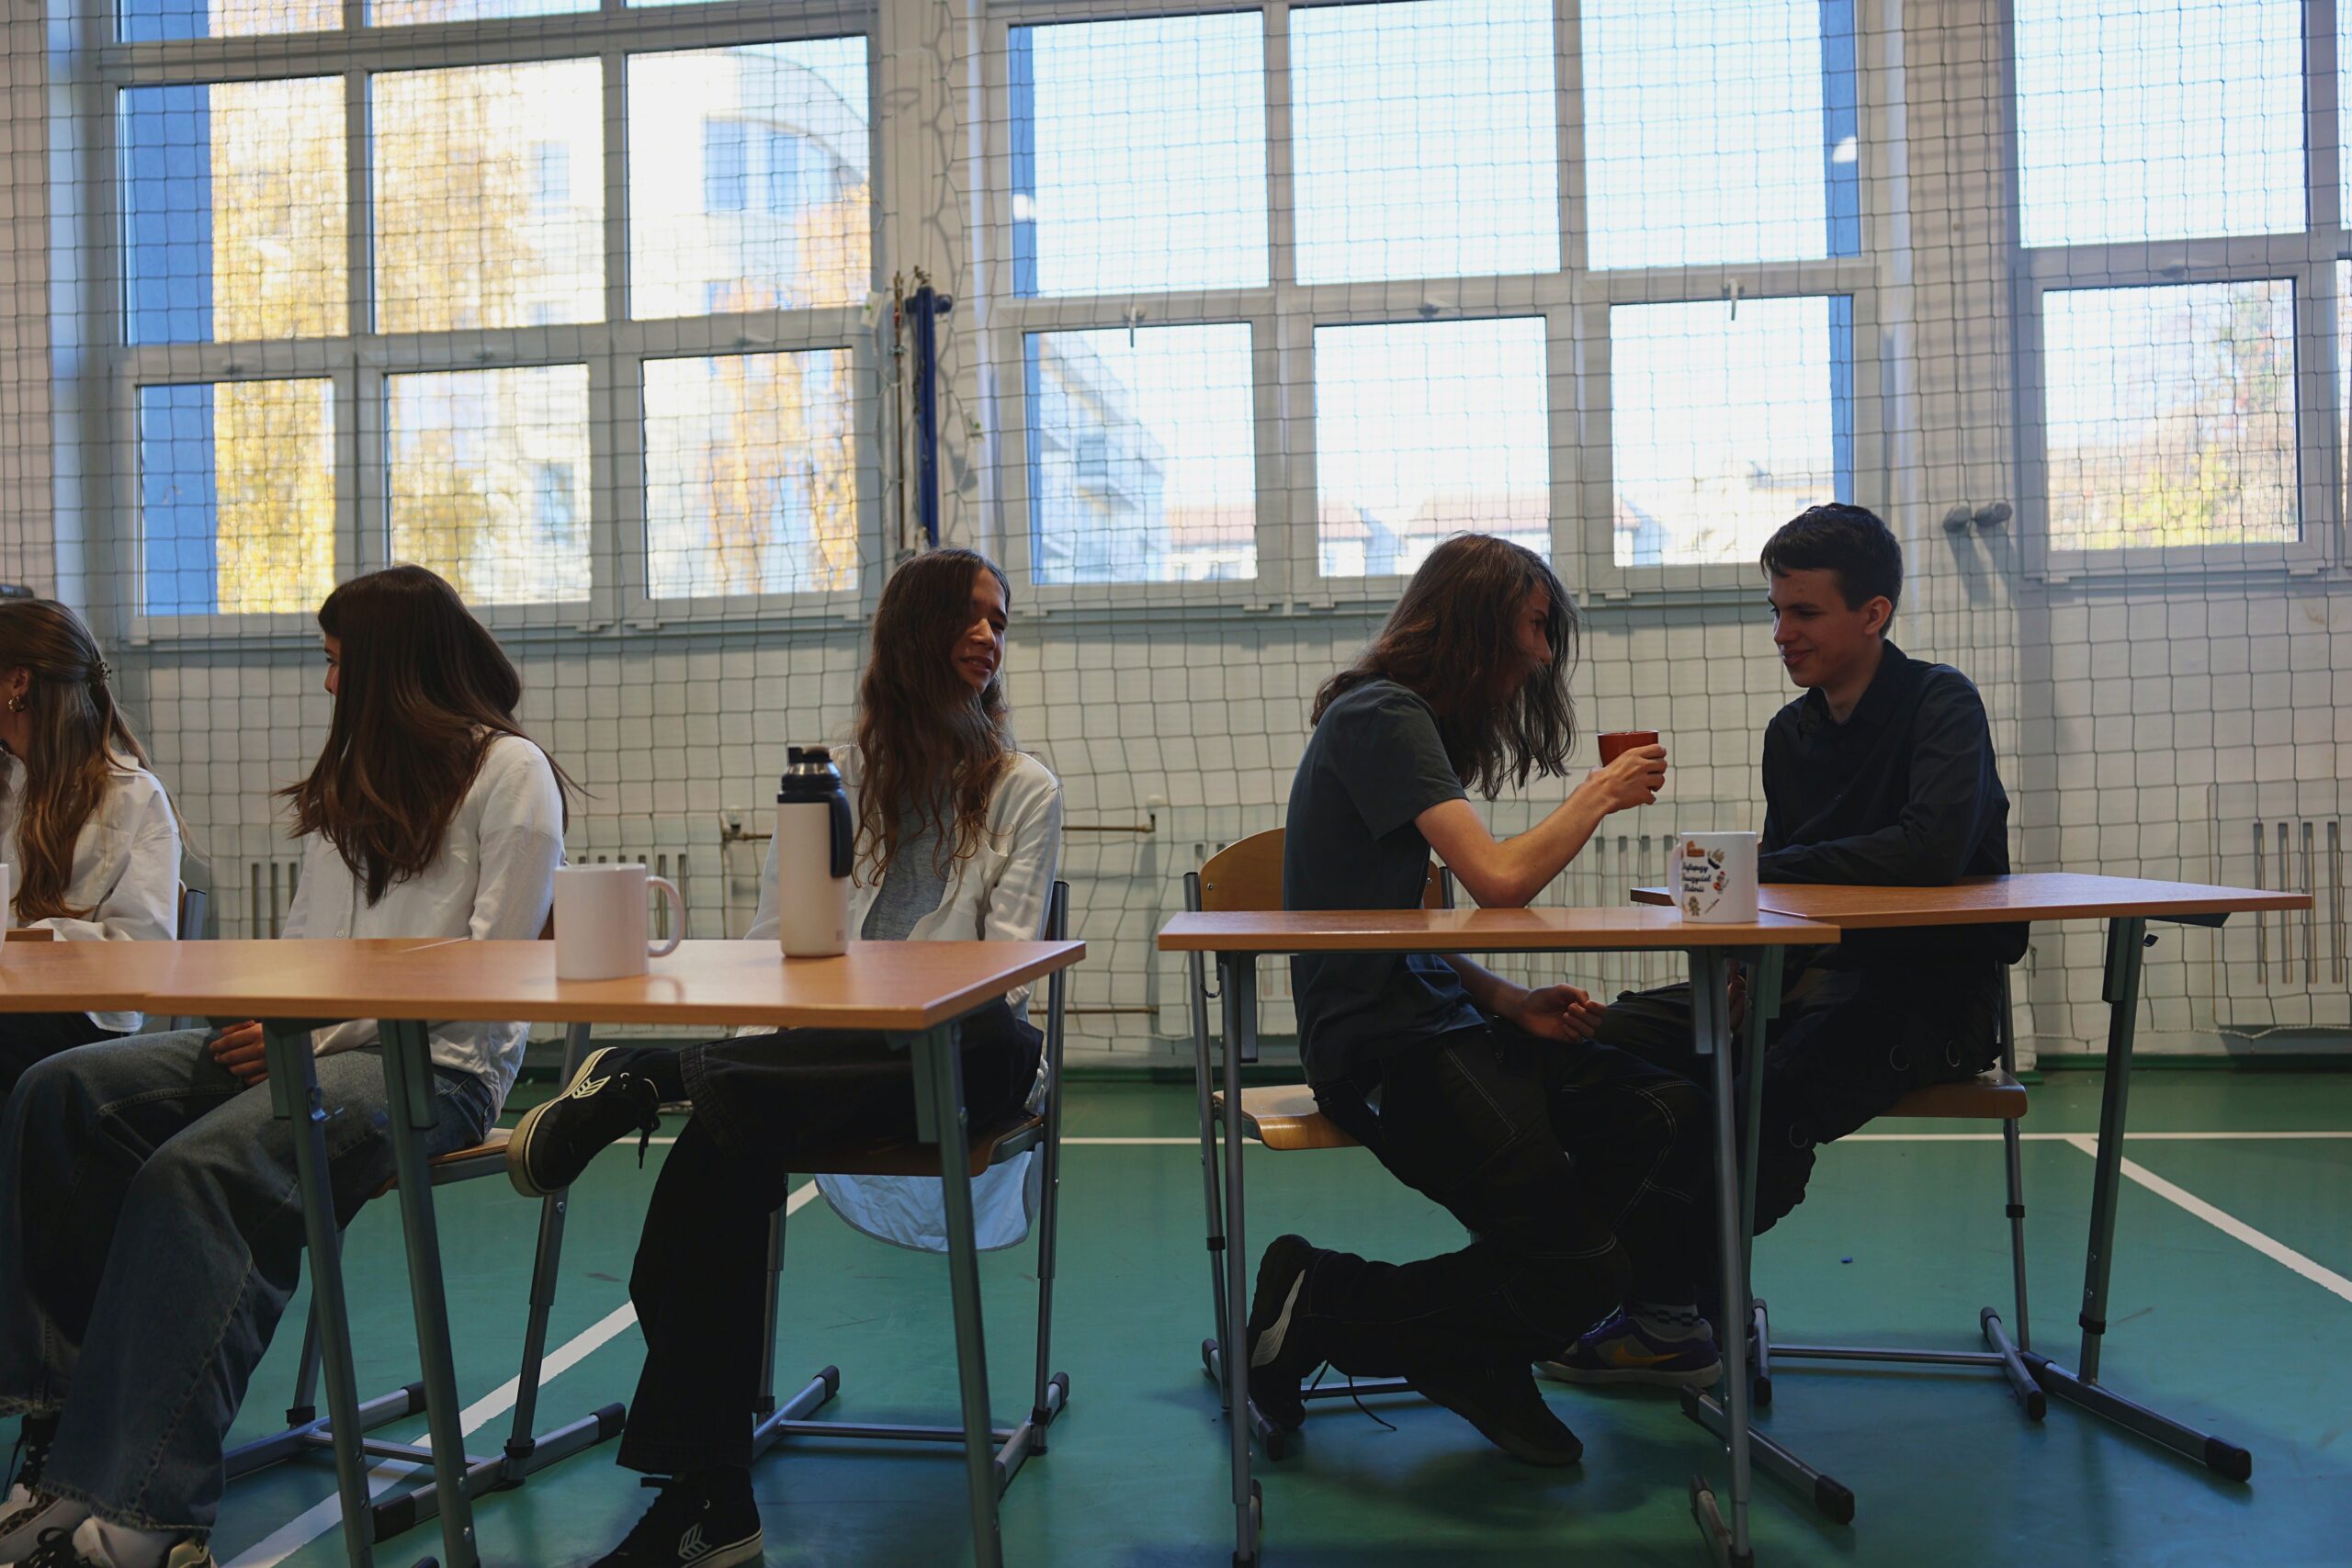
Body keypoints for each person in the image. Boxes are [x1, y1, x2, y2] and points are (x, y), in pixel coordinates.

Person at [0, 567, 570, 1568]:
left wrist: (307, 1035)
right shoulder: (357, 777)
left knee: (198, 1172)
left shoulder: (512, 772)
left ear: (392, 668)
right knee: (61, 1094)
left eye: (337, 662)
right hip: (310, 1041)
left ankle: (148, 1509)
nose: (328, 683)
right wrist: (270, 1013)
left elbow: (483, 977)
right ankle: (64, 1446)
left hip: (434, 1072)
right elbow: (309, 946)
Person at [503, 547, 1061, 1568]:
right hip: (815, 1067)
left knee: (987, 1040)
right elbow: (776, 950)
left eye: (1001, 620)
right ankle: (712, 1503)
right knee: (698, 1196)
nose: (990, 636)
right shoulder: (833, 781)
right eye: (971, 616)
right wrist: (793, 1030)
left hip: (953, 1060)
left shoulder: (1024, 788)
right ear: (915, 631)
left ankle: (656, 1075)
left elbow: (1006, 977)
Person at [1241, 533, 1714, 1471]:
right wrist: (1600, 794)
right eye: (1534, 627)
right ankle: (1325, 1299)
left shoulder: (1405, 719)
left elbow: (1409, 927)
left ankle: (1483, 1340)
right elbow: (1497, 881)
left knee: (1667, 1115)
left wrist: (1508, 1000)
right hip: (1380, 1050)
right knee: (1586, 1271)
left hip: (1443, 1024)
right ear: (1477, 622)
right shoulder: (1381, 713)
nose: (1540, 653)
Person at [1549, 502, 2023, 1386]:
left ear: (1874, 613)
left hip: (1924, 1004)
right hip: (1800, 987)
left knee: (1764, 1091)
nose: (1782, 632)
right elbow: (1786, 894)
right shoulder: (1789, 734)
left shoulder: (1942, 704)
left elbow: (1928, 851)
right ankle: (1673, 1299)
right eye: (1777, 610)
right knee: (1601, 1039)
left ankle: (1669, 1313)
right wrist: (1743, 963)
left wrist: (1764, 866)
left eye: (1804, 612)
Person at [0, 599, 181, 1102]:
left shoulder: (131, 795)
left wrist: (26, 948)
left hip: (80, 1018)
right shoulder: (7, 779)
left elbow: (143, 953)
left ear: (18, 683)